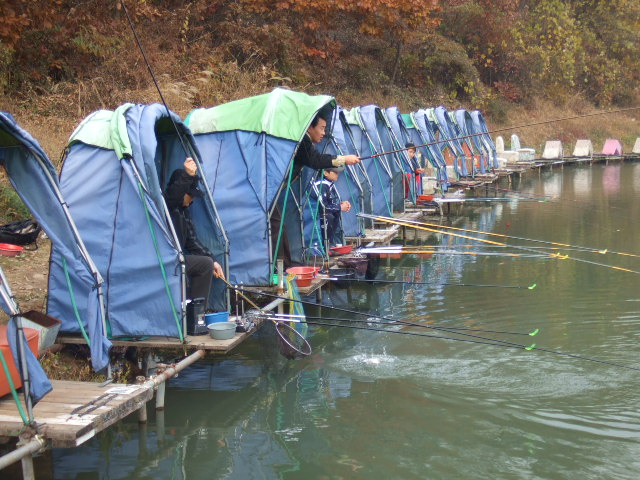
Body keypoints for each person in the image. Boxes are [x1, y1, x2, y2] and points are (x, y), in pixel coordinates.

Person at [271, 114, 360, 267]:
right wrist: (344, 159)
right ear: (310, 127)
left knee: (278, 225)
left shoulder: (300, 140)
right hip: (267, 191)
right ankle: (280, 269)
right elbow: (316, 160)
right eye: (322, 128)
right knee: (276, 225)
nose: (324, 133)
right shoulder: (302, 141)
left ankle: (284, 267)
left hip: (272, 191)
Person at [164, 157, 225, 305]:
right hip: (165, 260)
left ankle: (196, 311)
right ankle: (197, 312)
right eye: (190, 195)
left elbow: (192, 241)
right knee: (204, 264)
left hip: (178, 260)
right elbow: (172, 196)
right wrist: (188, 175)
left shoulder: (184, 212)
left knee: (206, 263)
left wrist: (213, 261)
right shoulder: (167, 207)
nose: (192, 200)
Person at [311, 166, 351, 249]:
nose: (337, 174)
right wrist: (340, 207)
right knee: (329, 216)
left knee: (335, 213)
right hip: (316, 215)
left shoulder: (329, 184)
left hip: (323, 213)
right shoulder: (321, 185)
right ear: (326, 173)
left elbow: (328, 203)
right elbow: (323, 207)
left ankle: (331, 243)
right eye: (335, 172)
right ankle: (325, 246)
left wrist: (341, 204)